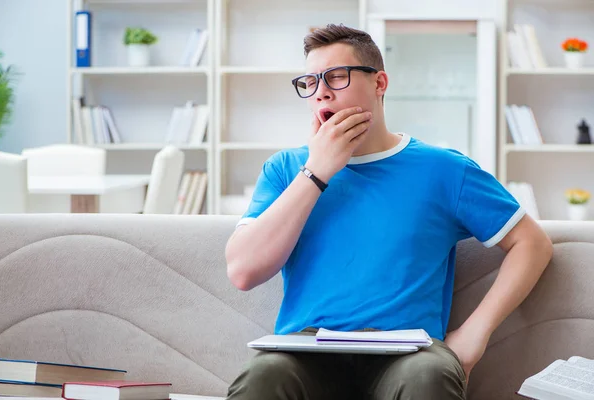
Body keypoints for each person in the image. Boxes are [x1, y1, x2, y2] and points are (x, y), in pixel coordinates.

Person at [223, 23, 553, 400]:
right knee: (264, 374)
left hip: (410, 353)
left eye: (336, 76)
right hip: (307, 350)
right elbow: (243, 271)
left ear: (379, 83)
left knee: (429, 374)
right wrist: (317, 171)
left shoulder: (444, 169)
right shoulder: (285, 170)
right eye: (310, 82)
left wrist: (475, 332)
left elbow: (532, 243)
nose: (321, 92)